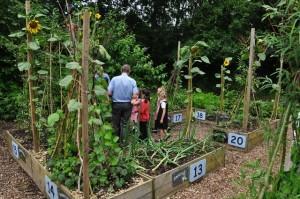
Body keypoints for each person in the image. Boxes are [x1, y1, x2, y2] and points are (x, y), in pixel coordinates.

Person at [108, 64, 139, 141]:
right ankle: (123, 141)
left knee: (116, 124)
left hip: (116, 104)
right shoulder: (132, 81)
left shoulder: (114, 79)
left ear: (121, 70)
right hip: (127, 104)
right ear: (129, 71)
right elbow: (135, 95)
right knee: (124, 124)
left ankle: (116, 142)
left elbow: (109, 93)